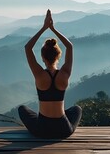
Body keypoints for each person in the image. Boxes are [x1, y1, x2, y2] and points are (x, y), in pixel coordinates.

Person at [18, 9, 82, 138]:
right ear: (59, 56)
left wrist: (44, 28)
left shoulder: (39, 74)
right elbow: (70, 46)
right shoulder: (65, 73)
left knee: (22, 109)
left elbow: (28, 48)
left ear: (42, 57)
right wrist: (53, 29)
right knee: (77, 109)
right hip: (63, 129)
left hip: (42, 129)